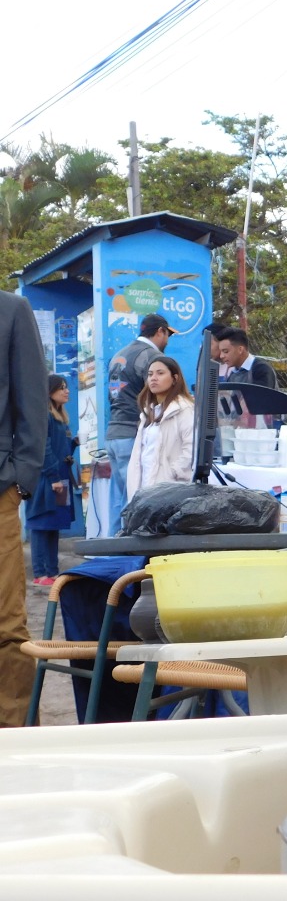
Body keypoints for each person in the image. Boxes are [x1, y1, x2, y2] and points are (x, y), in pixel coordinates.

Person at [0, 291, 47, 727]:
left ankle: (13, 733)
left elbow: (32, 399)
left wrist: (21, 477)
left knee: (5, 625)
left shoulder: (11, 310)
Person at [105, 313, 171, 534]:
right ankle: (129, 557)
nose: (168, 341)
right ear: (160, 331)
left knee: (118, 499)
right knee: (135, 499)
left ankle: (111, 554)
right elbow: (157, 395)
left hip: (114, 434)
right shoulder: (150, 355)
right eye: (168, 334)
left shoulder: (119, 355)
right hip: (133, 434)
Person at [26, 375, 79, 586]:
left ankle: (53, 571)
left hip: (60, 480)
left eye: (66, 387)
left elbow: (60, 449)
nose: (66, 391)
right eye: (62, 388)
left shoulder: (60, 418)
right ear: (50, 391)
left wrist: (73, 444)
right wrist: (53, 477)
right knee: (41, 524)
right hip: (48, 480)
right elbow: (44, 448)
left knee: (54, 525)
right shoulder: (44, 416)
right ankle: (40, 574)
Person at [125, 356, 195, 499]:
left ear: (175, 378)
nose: (153, 378)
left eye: (160, 373)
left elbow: (191, 450)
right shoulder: (148, 412)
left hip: (169, 492)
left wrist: (171, 475)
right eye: (150, 374)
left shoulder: (184, 409)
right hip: (144, 489)